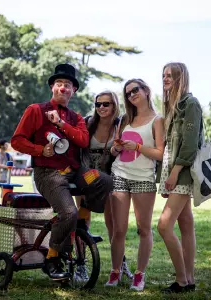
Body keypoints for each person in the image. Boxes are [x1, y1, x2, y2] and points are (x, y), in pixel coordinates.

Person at [11, 63, 113, 281]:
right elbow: (17, 141)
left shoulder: (76, 118)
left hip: (76, 172)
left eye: (67, 85)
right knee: (68, 212)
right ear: (52, 87)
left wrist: (62, 125)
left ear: (73, 90)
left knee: (103, 180)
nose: (63, 88)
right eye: (59, 84)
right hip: (48, 173)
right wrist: (40, 150)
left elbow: (83, 140)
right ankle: (52, 258)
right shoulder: (35, 110)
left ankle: (82, 228)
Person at [105, 79, 165, 291]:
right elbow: (114, 149)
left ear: (146, 91)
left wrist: (138, 146)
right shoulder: (125, 119)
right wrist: (116, 149)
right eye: (128, 93)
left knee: (143, 229)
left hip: (144, 178)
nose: (132, 95)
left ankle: (139, 275)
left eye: (135, 90)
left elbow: (160, 153)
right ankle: (115, 271)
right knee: (119, 229)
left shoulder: (158, 120)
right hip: (120, 174)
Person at [157, 62, 202, 293]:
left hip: (183, 172)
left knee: (164, 225)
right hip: (174, 171)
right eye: (163, 75)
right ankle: (190, 279)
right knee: (185, 224)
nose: (165, 79)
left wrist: (173, 174)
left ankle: (182, 280)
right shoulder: (171, 105)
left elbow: (190, 144)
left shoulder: (190, 104)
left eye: (170, 75)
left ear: (180, 78)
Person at [79, 90, 133, 280]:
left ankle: (120, 265)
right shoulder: (87, 123)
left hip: (110, 177)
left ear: (114, 105)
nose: (101, 107)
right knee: (82, 220)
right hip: (87, 176)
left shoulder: (121, 124)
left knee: (114, 225)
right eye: (98, 104)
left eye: (106, 104)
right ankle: (80, 265)